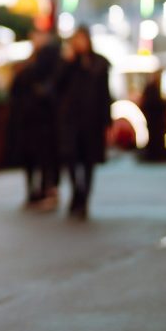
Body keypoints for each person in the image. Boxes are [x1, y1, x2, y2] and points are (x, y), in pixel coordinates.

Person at [56, 26, 112, 219]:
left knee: (89, 161)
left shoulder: (99, 64)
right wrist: (68, 62)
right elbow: (57, 86)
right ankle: (76, 193)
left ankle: (84, 199)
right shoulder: (68, 63)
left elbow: (105, 95)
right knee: (70, 158)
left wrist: (107, 121)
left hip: (91, 120)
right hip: (71, 119)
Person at [9, 31, 61, 209]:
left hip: (41, 119)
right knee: (36, 158)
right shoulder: (33, 62)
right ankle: (38, 192)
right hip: (34, 119)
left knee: (41, 157)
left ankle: (43, 191)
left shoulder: (45, 60)